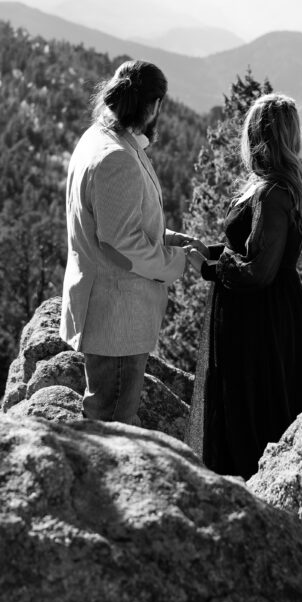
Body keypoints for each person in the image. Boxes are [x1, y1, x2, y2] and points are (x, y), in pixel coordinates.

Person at [60, 59, 205, 424]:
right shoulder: (117, 158)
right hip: (116, 320)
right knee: (112, 422)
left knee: (104, 413)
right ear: (154, 106)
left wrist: (172, 238)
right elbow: (121, 246)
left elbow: (115, 226)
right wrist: (177, 262)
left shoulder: (100, 138)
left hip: (106, 309)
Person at [185, 93, 302, 479]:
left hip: (261, 321)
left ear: (257, 135)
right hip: (250, 312)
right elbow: (243, 248)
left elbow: (259, 271)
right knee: (236, 402)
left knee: (252, 408)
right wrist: (206, 249)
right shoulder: (262, 186)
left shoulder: (274, 194)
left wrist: (209, 268)